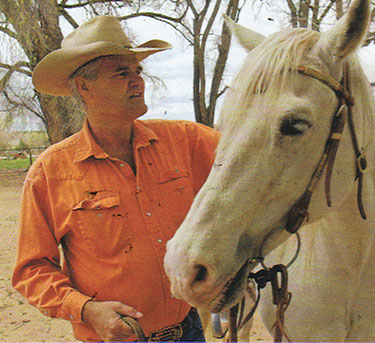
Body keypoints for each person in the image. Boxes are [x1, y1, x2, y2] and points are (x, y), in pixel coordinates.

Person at [12, 16, 219, 342]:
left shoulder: (185, 141)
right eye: (122, 73)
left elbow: (250, 160)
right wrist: (87, 310)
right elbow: (31, 270)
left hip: (188, 331)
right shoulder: (50, 172)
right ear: (84, 87)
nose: (137, 81)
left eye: (138, 71)